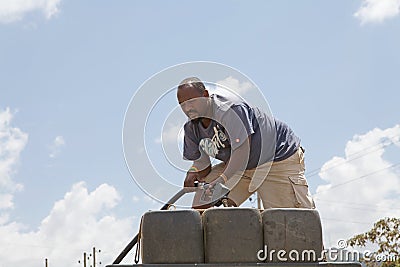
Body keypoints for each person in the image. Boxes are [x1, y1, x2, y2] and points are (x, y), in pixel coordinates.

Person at [177, 77, 315, 209]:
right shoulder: (191, 128)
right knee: (203, 201)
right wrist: (193, 172)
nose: (187, 108)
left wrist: (221, 180)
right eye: (182, 104)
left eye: (191, 101)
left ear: (205, 95)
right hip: (239, 166)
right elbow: (201, 164)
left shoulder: (229, 109)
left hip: (275, 159)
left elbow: (243, 151)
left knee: (288, 220)